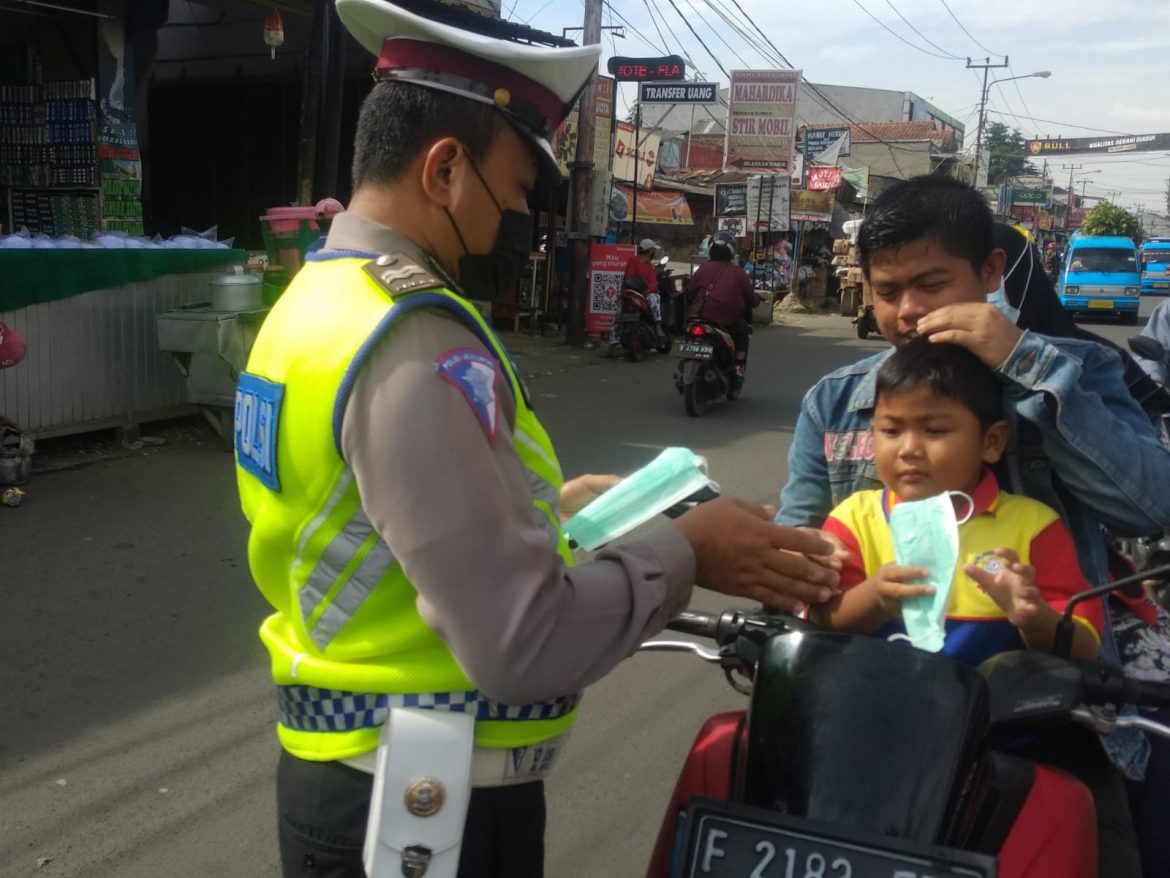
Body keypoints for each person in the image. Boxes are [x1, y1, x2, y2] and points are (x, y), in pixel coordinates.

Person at [234, 2, 842, 876]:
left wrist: (557, 507)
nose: (517, 214)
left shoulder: (315, 301)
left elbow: (366, 517)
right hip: (425, 803)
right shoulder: (408, 334)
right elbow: (521, 643)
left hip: (367, 777)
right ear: (445, 169)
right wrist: (686, 551)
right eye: (517, 186)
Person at [778, 175, 1170, 878]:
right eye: (887, 290)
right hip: (868, 728)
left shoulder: (1079, 370)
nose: (907, 312)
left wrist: (1025, 364)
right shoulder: (837, 403)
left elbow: (1150, 508)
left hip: (1058, 728)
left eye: (930, 284)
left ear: (991, 272)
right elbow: (797, 559)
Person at [811, 338, 1100, 664]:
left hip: (994, 711)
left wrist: (1032, 617)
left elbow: (1085, 647)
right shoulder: (853, 519)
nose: (908, 449)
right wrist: (875, 597)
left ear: (991, 441)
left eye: (934, 431)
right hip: (877, 704)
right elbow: (821, 620)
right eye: (891, 431)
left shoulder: (1033, 527)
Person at [688, 229, 758, 378]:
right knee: (743, 330)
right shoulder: (738, 272)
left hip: (700, 317)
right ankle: (739, 366)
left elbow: (690, 291)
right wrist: (756, 300)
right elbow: (750, 299)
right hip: (727, 322)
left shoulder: (702, 269)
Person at [623, 237, 665, 338]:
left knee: (654, 297)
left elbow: (653, 282)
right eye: (653, 250)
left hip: (642, 293)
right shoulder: (634, 261)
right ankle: (658, 324)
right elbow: (629, 278)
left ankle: (657, 324)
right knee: (618, 316)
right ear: (650, 251)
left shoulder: (648, 265)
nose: (654, 252)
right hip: (631, 292)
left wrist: (649, 290)